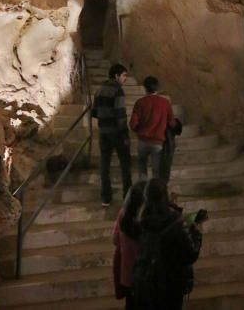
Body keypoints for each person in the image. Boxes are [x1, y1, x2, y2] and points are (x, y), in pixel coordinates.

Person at [132, 178, 203, 310]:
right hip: (171, 285)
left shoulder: (142, 221)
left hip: (147, 283)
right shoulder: (175, 223)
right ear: (165, 197)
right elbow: (190, 255)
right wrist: (197, 234)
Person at [91, 63, 131, 206]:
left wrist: (104, 115)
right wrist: (125, 134)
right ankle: (127, 196)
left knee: (105, 165)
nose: (125, 78)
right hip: (117, 132)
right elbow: (120, 114)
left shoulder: (99, 90)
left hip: (103, 132)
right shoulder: (117, 90)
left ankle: (106, 198)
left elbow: (93, 112)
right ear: (116, 75)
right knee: (125, 164)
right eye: (124, 75)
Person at [130, 76, 176, 180]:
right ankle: (154, 193)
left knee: (142, 169)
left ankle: (142, 190)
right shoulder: (165, 103)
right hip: (158, 142)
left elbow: (133, 124)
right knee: (157, 172)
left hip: (143, 141)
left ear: (145, 88)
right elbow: (172, 123)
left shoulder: (140, 103)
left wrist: (139, 130)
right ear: (157, 88)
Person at [113, 181, 146, 309]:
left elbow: (115, 240)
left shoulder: (123, 214)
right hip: (148, 276)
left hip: (128, 275)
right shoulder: (151, 219)